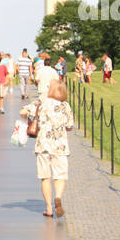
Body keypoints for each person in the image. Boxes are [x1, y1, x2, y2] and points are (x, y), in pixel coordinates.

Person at [31, 77, 74, 218]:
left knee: (45, 177)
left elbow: (24, 111)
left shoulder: (42, 102)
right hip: (60, 146)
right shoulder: (65, 106)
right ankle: (59, 197)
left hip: (43, 145)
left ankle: (49, 208)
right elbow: (69, 127)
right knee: (60, 176)